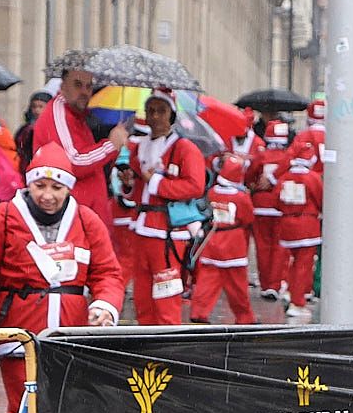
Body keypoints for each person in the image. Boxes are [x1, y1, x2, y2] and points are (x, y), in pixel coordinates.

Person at [0, 146, 126, 413]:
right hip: (19, 329)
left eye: (55, 187)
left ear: (68, 189)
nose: (47, 194)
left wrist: (104, 306)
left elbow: (108, 273)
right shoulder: (5, 216)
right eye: (40, 185)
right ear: (28, 183)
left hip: (69, 333)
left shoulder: (87, 219)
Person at [117, 92, 208, 326]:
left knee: (166, 296)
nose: (155, 116)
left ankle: (168, 349)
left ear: (172, 115)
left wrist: (156, 182)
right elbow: (138, 190)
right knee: (142, 297)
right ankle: (145, 346)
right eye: (150, 111)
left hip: (168, 233)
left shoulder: (184, 148)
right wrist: (129, 184)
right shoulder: (140, 146)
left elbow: (195, 186)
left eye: (161, 111)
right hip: (141, 229)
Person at [32, 66, 127, 241]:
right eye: (77, 84)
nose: (84, 92)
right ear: (63, 86)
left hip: (86, 220)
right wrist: (110, 145)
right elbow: (73, 162)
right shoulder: (59, 113)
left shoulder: (78, 116)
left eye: (89, 86)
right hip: (74, 224)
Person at [191, 152, 256, 324]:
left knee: (207, 280)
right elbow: (248, 218)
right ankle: (245, 317)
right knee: (237, 285)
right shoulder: (241, 197)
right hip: (233, 243)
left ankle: (199, 312)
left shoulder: (212, 192)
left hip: (212, 240)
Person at [276, 129, 325, 323]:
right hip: (307, 225)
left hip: (287, 224)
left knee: (292, 261)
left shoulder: (284, 177)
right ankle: (297, 302)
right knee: (304, 265)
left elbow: (275, 200)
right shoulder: (312, 178)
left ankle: (289, 291)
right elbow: (321, 200)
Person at [250, 118, 293, 302]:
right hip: (282, 206)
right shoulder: (288, 157)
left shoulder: (261, 156)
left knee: (262, 246)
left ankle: (265, 283)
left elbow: (250, 175)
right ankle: (275, 284)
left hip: (260, 206)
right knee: (279, 247)